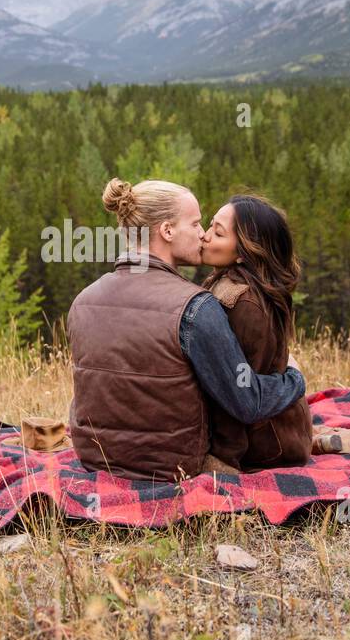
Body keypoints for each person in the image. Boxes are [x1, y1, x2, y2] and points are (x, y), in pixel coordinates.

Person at [67, 178, 307, 482]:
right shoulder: (196, 307)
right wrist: (295, 378)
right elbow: (246, 403)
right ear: (167, 231)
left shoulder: (82, 302)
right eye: (195, 224)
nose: (202, 234)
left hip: (95, 460)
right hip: (171, 467)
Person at [199, 195, 316, 472]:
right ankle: (317, 438)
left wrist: (223, 460)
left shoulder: (245, 304)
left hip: (268, 445)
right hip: (266, 431)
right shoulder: (224, 282)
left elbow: (241, 393)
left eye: (217, 233)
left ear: (244, 253)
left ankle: (308, 440)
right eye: (209, 226)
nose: (204, 236)